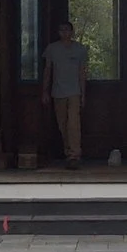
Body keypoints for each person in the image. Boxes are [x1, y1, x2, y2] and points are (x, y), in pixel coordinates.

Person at [39, 19, 90, 166]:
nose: (64, 33)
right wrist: (45, 91)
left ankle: (75, 154)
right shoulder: (52, 49)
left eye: (67, 30)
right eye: (61, 30)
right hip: (57, 91)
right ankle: (68, 152)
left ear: (72, 32)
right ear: (58, 32)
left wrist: (83, 94)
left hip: (74, 92)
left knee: (74, 124)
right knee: (62, 124)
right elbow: (48, 70)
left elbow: (82, 73)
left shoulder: (80, 49)